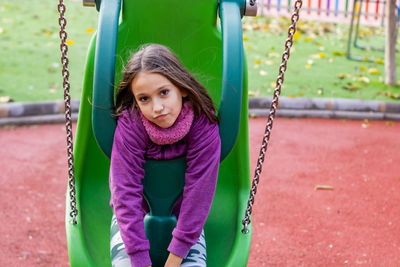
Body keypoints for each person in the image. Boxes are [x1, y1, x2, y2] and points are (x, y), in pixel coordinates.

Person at [109, 44, 221, 267]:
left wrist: (176, 256)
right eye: (144, 99)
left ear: (182, 88)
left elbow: (199, 192)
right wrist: (139, 259)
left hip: (186, 220)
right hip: (134, 219)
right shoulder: (131, 124)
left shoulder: (202, 124)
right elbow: (124, 191)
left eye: (163, 92)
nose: (157, 107)